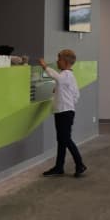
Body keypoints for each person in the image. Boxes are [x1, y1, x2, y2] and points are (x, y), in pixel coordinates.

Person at [39, 49, 87, 177]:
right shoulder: (67, 77)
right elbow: (76, 94)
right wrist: (62, 93)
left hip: (65, 112)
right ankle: (59, 167)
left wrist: (45, 67)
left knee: (65, 139)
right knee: (61, 140)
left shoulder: (66, 74)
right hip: (64, 111)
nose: (57, 62)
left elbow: (58, 79)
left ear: (65, 62)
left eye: (59, 59)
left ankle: (80, 164)